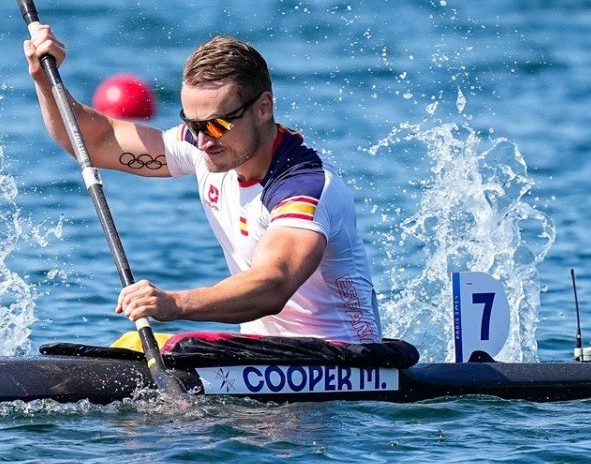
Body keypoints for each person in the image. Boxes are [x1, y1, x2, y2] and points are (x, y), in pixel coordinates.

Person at [23, 27, 381, 342]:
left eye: (217, 124)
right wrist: (45, 78)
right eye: (192, 124)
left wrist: (174, 303)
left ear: (263, 108)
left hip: (343, 360)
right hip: (264, 357)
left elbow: (274, 283)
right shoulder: (204, 146)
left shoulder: (304, 186)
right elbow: (97, 142)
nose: (203, 139)